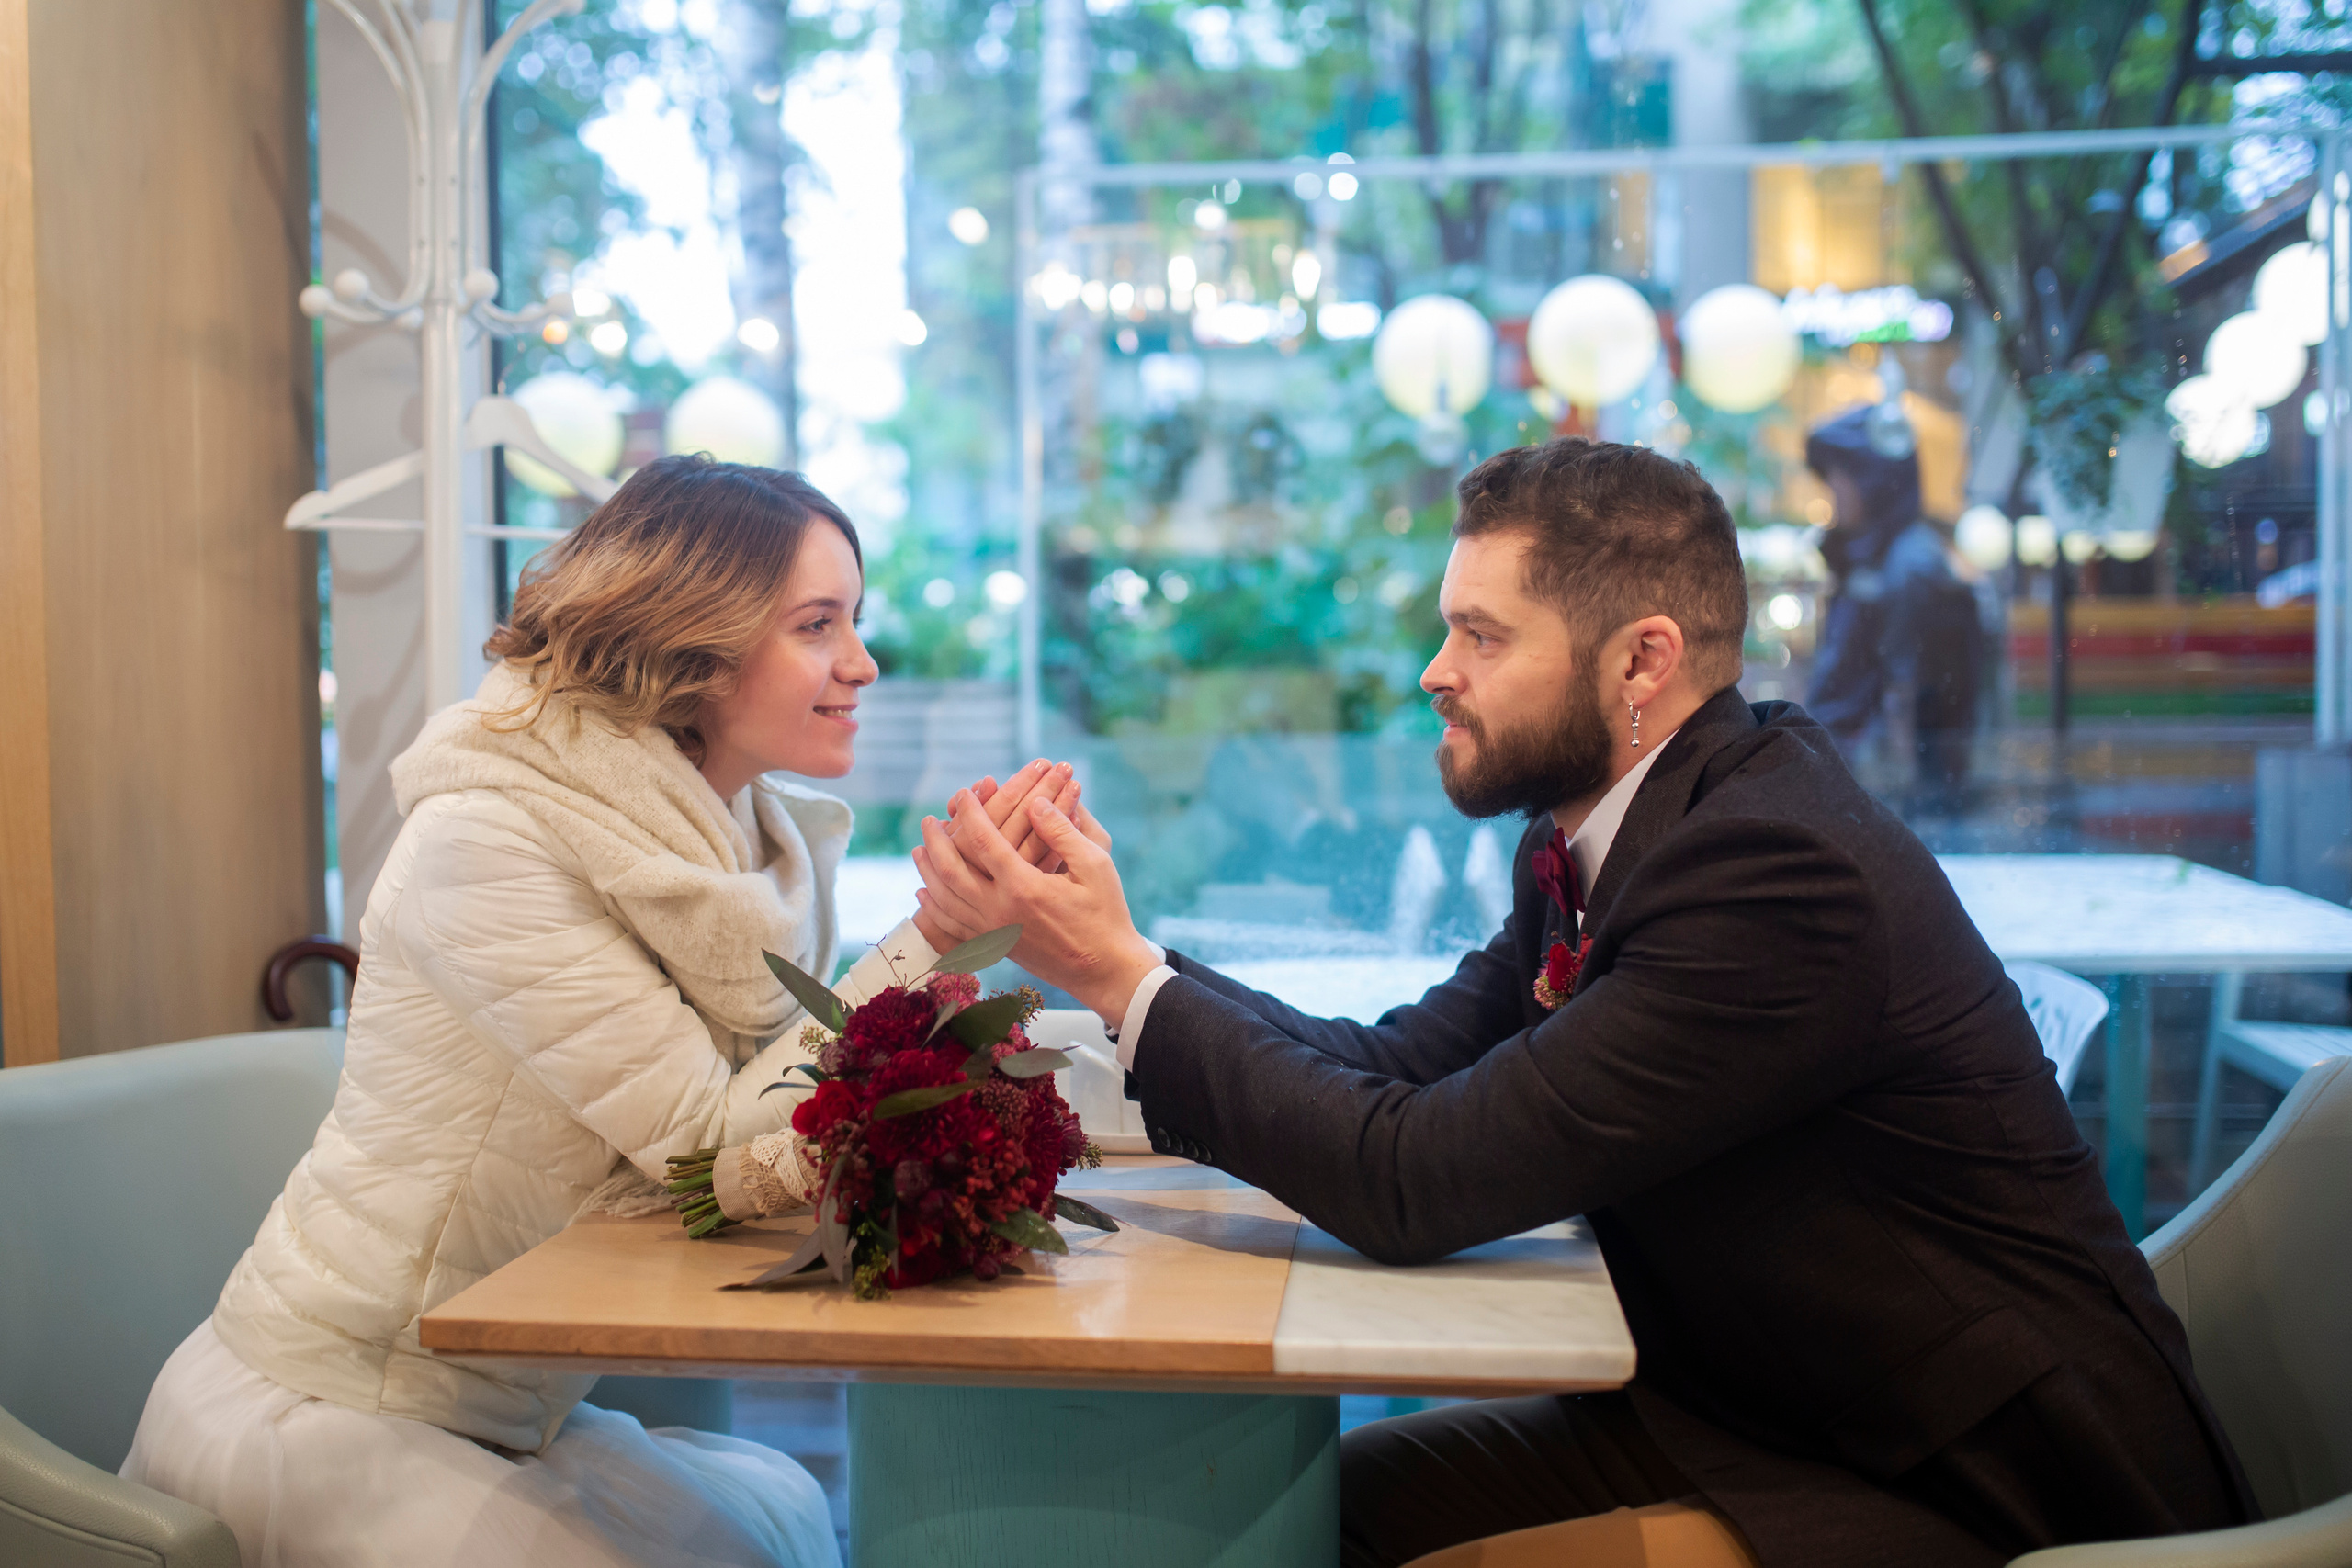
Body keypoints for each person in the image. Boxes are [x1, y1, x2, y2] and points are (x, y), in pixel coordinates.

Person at [906, 437, 2253, 1568]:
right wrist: (1125, 954)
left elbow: (1413, 1178)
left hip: (1975, 1479)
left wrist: (1117, 980)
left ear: (1641, 659)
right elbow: (1403, 1065)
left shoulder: (1773, 871)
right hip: (1753, 1398)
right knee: (1325, 1519)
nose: (1437, 668)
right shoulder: (1621, 829)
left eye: (1481, 633)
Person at [119, 455, 1092, 1568]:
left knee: (776, 1515)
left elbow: (782, 1085)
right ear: (693, 640)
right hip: (343, 1410)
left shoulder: (747, 840)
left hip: (515, 1408)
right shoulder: (487, 843)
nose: (862, 664)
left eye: (854, 622)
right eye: (817, 626)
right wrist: (932, 935)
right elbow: (698, 1150)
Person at [1804, 396, 1984, 813]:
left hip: (1893, 799)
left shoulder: (1910, 566)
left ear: (1870, 479)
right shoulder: (1876, 556)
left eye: (1840, 479)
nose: (1833, 494)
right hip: (1869, 790)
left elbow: (1910, 692)